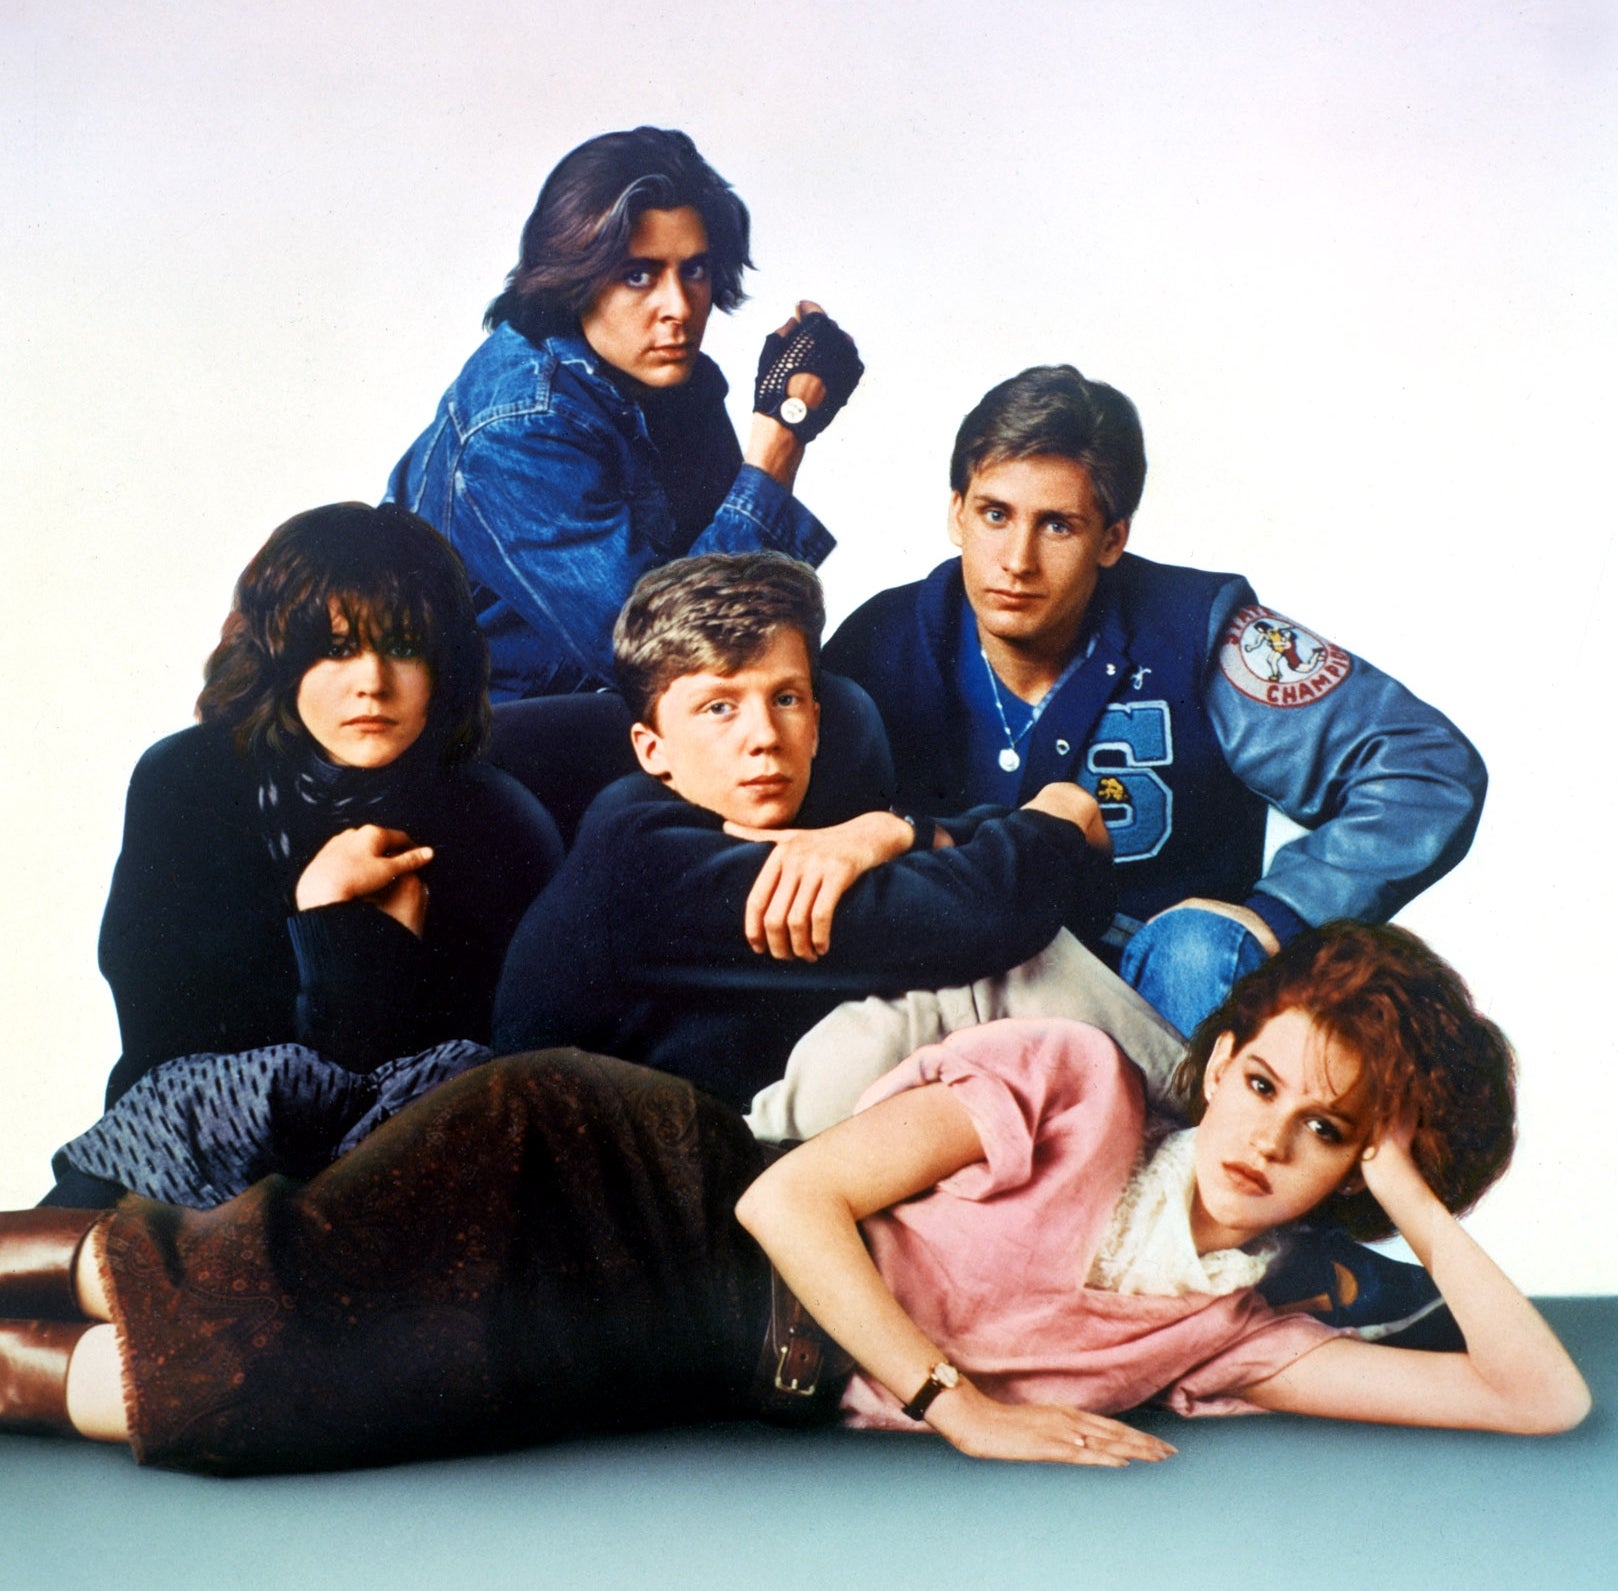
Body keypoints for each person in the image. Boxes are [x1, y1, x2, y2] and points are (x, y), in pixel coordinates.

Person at [0, 923, 1587, 1472]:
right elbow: (790, 1205)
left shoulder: (1231, 1334)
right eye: (1260, 1080)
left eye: (1325, 1131)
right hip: (626, 1182)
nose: (1266, 1135)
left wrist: (1410, 1190)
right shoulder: (1080, 1084)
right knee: (234, 1359)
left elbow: (1534, 1397)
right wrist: (958, 1402)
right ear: (1219, 1055)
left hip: (654, 1355)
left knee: (244, 1355)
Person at [823, 365, 1487, 1038]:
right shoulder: (882, 641)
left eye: (1058, 526)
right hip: (942, 1001)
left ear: (1112, 538)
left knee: (1196, 949)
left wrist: (1282, 915)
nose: (1017, 559)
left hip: (1150, 1009)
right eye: (996, 515)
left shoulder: (1196, 633)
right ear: (957, 512)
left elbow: (1425, 768)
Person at [45, 503, 562, 1208]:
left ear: (446, 666)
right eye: (337, 648)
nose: (372, 681)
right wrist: (320, 908)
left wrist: (343, 941)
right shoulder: (188, 781)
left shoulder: (500, 818)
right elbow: (170, 1055)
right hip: (183, 1154)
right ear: (278, 659)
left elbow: (466, 1093)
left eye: (405, 647)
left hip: (401, 1177)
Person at [491, 551, 1116, 1109]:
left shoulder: (797, 819)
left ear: (815, 723)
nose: (764, 736)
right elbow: (987, 916)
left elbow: (1049, 882)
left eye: (785, 698)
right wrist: (1066, 805)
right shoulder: (646, 856)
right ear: (652, 749)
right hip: (618, 1175)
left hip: (723, 1141)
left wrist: (889, 830)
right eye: (719, 707)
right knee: (1006, 989)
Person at [384, 126, 863, 701]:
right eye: (639, 275)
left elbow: (743, 611)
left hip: (605, 699)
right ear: (573, 280)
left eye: (695, 270)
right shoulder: (518, 429)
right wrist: (780, 439)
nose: (679, 308)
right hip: (488, 723)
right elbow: (672, 659)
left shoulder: (667, 377)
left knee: (847, 694)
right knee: (840, 713)